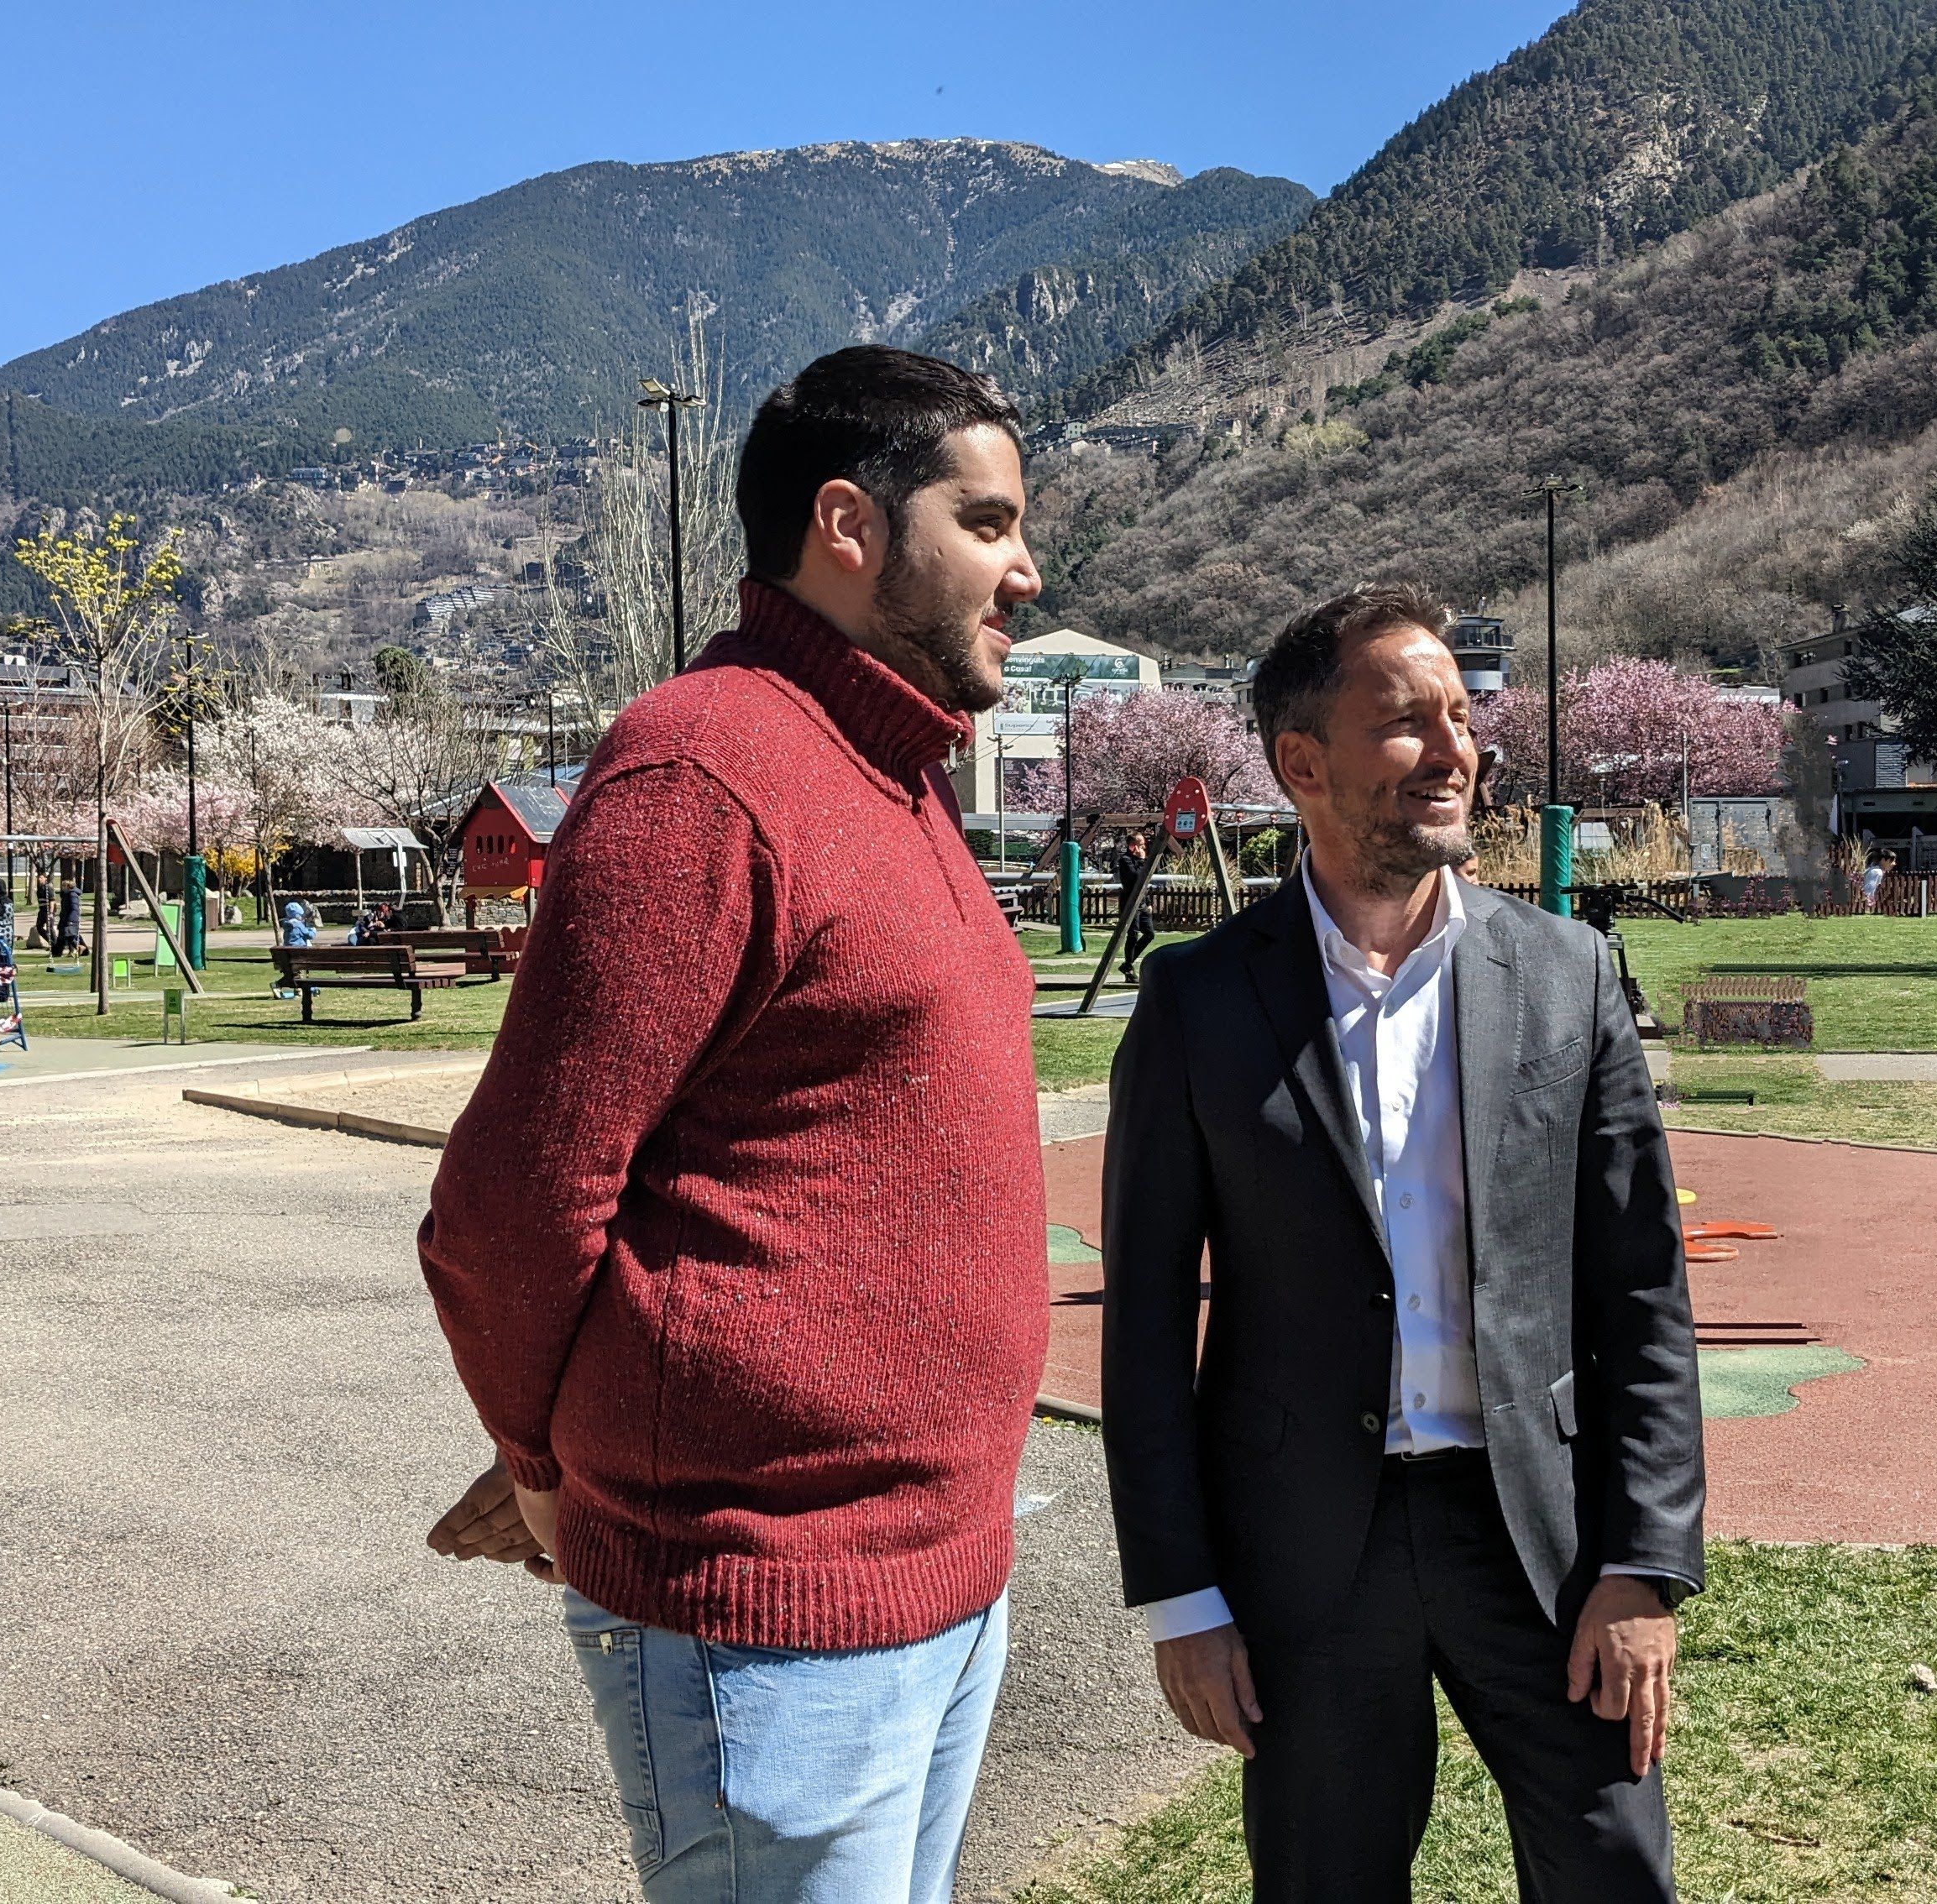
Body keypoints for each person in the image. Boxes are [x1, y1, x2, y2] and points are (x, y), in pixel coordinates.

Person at [420, 345, 1049, 1903]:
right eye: (984, 522)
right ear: (848, 525)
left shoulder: (894, 777)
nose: (1025, 568)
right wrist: (545, 1465)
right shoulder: (702, 772)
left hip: (939, 1575)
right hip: (766, 1606)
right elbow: (509, 1205)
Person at [1097, 582, 1707, 1902]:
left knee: (1614, 1872)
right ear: (1301, 764)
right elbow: (1146, 1322)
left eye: (1461, 716)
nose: (1454, 750)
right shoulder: (1200, 1002)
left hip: (1540, 1541)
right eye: (1406, 723)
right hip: (1311, 1551)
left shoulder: (1565, 973)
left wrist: (1644, 1564)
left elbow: (1641, 1292)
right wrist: (1185, 1598)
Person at [1116, 828, 1160, 984]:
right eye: (1140, 845)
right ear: (1132, 845)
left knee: (1149, 934)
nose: (1143, 848)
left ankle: (1127, 964)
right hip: (1130, 902)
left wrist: (1147, 902)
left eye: (1144, 845)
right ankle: (1129, 968)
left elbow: (1146, 882)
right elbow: (1136, 879)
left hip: (1142, 903)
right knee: (1133, 934)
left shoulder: (1142, 860)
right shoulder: (1125, 860)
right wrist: (1141, 861)